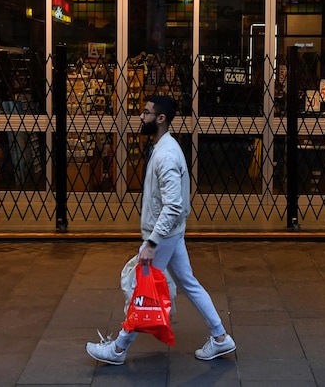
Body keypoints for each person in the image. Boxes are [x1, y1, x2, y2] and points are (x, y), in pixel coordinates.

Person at [86, 95, 236, 365]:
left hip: (164, 235)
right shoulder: (164, 147)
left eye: (146, 113)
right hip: (172, 233)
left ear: (161, 119)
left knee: (140, 289)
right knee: (188, 283)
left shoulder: (166, 155)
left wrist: (152, 243)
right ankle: (220, 337)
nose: (141, 117)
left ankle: (118, 350)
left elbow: (173, 205)